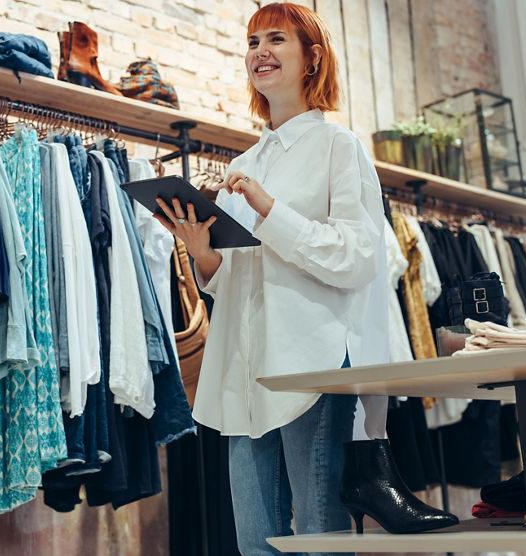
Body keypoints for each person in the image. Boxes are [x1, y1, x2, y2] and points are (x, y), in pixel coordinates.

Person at [155, 3, 455, 554]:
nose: (260, 52)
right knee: (254, 540)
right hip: (244, 369)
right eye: (252, 42)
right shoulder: (246, 161)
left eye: (276, 39)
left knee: (321, 535)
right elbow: (240, 278)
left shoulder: (339, 147)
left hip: (309, 362)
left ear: (311, 58)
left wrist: (270, 210)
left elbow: (360, 255)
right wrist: (203, 255)